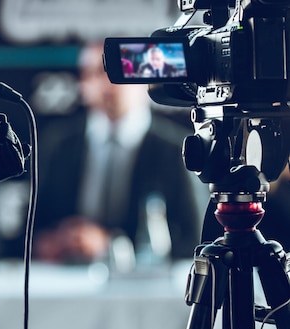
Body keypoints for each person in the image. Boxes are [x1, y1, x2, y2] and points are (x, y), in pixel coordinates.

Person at [33, 42, 203, 266]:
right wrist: (51, 241)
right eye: (96, 72)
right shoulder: (58, 144)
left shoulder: (179, 148)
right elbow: (34, 228)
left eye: (121, 71)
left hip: (147, 286)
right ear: (82, 84)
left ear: (146, 80)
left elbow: (193, 239)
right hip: (68, 280)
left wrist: (111, 245)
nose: (109, 83)